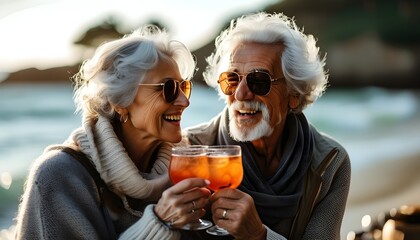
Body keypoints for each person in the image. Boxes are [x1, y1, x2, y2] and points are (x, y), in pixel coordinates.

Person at [14, 25, 211, 239]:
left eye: (185, 87)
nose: (185, 101)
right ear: (119, 101)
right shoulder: (59, 176)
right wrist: (160, 223)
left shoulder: (186, 166)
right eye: (169, 88)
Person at [184, 12, 351, 239]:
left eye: (259, 80)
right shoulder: (190, 150)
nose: (241, 93)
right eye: (232, 79)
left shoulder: (330, 162)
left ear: (294, 93)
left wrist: (259, 235)